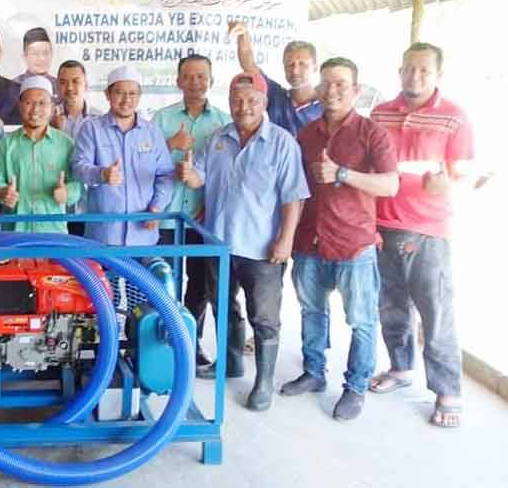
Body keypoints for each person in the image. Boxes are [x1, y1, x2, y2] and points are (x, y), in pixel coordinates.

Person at [178, 72, 309, 410]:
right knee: (224, 307)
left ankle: (263, 381)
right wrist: (190, 175)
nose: (244, 106)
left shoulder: (282, 143)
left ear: (264, 103)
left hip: (262, 247)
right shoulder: (218, 139)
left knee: (264, 318)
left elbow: (293, 197)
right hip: (220, 242)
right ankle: (231, 362)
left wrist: (286, 239)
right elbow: (200, 178)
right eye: (237, 100)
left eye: (252, 100)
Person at [281, 57, 398, 421]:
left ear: (356, 90)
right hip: (309, 241)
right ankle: (314, 372)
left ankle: (355, 386)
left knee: (361, 320)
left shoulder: (372, 133)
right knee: (312, 311)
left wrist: (343, 174)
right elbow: (295, 188)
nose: (332, 91)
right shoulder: (306, 134)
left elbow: (390, 184)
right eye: (326, 83)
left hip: (354, 243)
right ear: (318, 88)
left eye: (341, 84)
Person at [368, 43, 473, 428]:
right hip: (382, 225)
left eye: (424, 71)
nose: (415, 77)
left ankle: (448, 390)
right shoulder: (380, 113)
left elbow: (462, 172)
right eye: (409, 69)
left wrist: (447, 183)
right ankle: (400, 367)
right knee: (390, 304)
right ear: (400, 71)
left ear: (437, 75)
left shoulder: (453, 117)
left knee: (435, 311)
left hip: (427, 230)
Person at [152, 53, 231, 367]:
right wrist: (171, 144)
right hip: (167, 216)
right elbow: (145, 163)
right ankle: (161, 342)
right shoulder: (162, 119)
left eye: (202, 76)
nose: (195, 82)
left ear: (211, 81)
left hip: (203, 219)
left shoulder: (224, 121)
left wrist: (209, 201)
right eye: (189, 76)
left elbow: (228, 173)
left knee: (199, 286)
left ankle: (191, 342)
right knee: (165, 279)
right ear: (178, 81)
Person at [72, 66, 174, 246]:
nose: (127, 99)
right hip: (103, 236)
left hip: (143, 235)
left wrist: (157, 206)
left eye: (133, 93)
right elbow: (78, 167)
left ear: (139, 96)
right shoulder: (92, 128)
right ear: (107, 94)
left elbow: (165, 175)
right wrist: (101, 174)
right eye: (120, 92)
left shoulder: (152, 132)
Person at [0, 75, 80, 233]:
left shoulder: (66, 144)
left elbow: (78, 186)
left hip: (53, 233)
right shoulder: (7, 143)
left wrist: (66, 193)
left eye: (42, 103)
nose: (35, 110)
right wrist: (3, 192)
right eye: (29, 102)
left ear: (52, 107)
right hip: (15, 234)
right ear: (20, 105)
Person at [231, 21, 323, 136]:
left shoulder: (326, 105)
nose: (295, 70)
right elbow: (249, 66)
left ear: (315, 68)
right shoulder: (277, 97)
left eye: (302, 64)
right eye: (290, 64)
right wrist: (243, 35)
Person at [51, 60, 101, 236]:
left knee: (87, 261)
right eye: (63, 82)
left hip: (90, 206)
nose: (69, 87)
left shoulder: (99, 120)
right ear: (57, 86)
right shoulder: (47, 117)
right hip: (54, 206)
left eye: (75, 81)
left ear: (86, 84)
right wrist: (53, 131)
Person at [13, 27, 59, 100]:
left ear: (52, 54)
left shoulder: (59, 85)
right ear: (24, 57)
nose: (41, 58)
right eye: (35, 53)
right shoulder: (13, 87)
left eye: (46, 53)